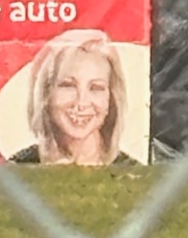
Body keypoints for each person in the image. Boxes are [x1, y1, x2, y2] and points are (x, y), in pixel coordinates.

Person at [10, 29, 130, 166]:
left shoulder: (133, 172)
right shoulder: (16, 168)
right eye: (68, 86)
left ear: (111, 98)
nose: (81, 102)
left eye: (96, 88)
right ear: (46, 93)